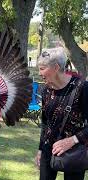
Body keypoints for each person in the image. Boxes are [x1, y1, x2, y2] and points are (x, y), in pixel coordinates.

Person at [34, 48, 88, 180]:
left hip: (74, 151)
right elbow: (45, 122)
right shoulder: (46, 90)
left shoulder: (82, 88)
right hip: (49, 150)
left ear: (56, 67)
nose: (39, 73)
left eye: (42, 68)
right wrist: (41, 149)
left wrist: (73, 140)